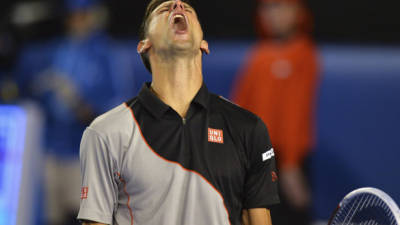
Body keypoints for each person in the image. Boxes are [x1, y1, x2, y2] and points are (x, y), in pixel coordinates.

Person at [77, 0, 279, 224]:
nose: (177, 6)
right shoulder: (106, 133)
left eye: (188, 9)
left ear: (204, 44)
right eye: (164, 10)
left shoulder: (248, 128)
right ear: (144, 45)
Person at [231, 0, 319, 224]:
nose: (271, 14)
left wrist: (290, 165)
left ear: (297, 10)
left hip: (285, 163)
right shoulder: (258, 55)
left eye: (279, 6)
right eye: (266, 7)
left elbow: (295, 114)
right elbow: (239, 106)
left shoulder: (304, 54)